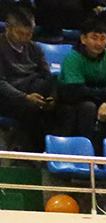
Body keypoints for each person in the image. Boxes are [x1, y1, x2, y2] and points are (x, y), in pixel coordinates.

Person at [55, 17, 106, 139]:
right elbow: (77, 91)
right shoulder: (73, 58)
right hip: (72, 100)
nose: (99, 43)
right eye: (94, 38)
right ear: (83, 39)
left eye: (102, 38)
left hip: (99, 98)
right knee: (88, 107)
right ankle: (87, 147)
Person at [0, 6, 57, 151]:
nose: (25, 38)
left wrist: (52, 97)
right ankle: (37, 152)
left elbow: (47, 75)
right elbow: (1, 83)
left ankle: (58, 149)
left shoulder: (35, 48)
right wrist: (25, 97)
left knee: (63, 102)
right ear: (8, 28)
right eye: (20, 33)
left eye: (29, 34)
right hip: (9, 96)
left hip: (34, 89)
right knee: (32, 109)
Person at [33, 0, 106, 43]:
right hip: (53, 17)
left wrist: (98, 6)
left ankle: (98, 45)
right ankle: (52, 37)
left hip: (80, 18)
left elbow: (94, 4)